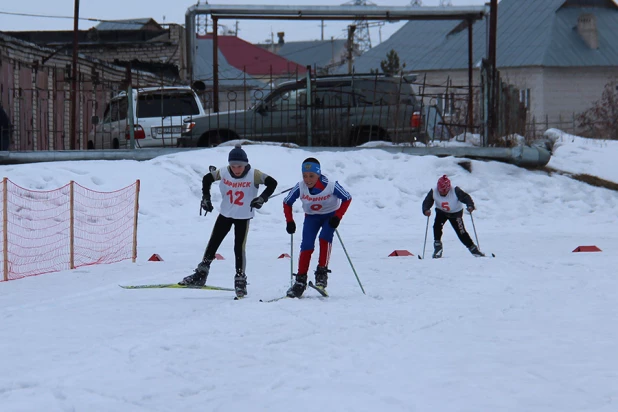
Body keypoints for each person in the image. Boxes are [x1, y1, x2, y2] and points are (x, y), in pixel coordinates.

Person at [179, 144, 278, 298]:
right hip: (225, 214)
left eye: (239, 166)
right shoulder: (224, 171)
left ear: (245, 165)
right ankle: (201, 273)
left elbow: (272, 183)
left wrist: (262, 198)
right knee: (213, 243)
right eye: (233, 166)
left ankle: (240, 279)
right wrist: (206, 197)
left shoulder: (254, 174)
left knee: (239, 247)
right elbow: (207, 178)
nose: (236, 169)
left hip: (243, 217)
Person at [283, 157, 352, 297]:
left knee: (324, 238)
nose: (308, 179)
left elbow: (347, 198)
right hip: (311, 218)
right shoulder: (300, 186)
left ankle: (321, 274)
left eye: (311, 176)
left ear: (319, 174)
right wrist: (289, 221)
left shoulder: (330, 185)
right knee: (307, 245)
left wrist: (338, 216)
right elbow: (287, 202)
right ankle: (300, 281)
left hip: (329, 217)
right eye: (305, 176)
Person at [422, 175, 485, 258]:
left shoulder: (455, 190)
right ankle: (438, 247)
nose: (442, 193)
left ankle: (473, 249)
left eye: (444, 191)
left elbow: (466, 197)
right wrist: (426, 209)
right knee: (437, 227)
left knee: (461, 232)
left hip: (455, 213)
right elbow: (427, 201)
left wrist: (470, 205)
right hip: (441, 211)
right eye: (441, 191)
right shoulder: (434, 191)